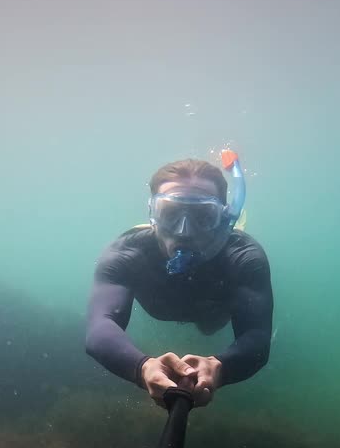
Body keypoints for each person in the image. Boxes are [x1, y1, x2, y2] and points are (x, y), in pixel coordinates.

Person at [85, 152, 273, 407]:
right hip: (201, 304)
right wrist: (143, 368)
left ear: (225, 218)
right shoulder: (127, 253)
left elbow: (257, 335)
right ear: (152, 213)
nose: (184, 231)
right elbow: (99, 328)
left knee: (209, 327)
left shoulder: (243, 256)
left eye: (203, 216)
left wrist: (219, 367)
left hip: (212, 314)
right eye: (170, 213)